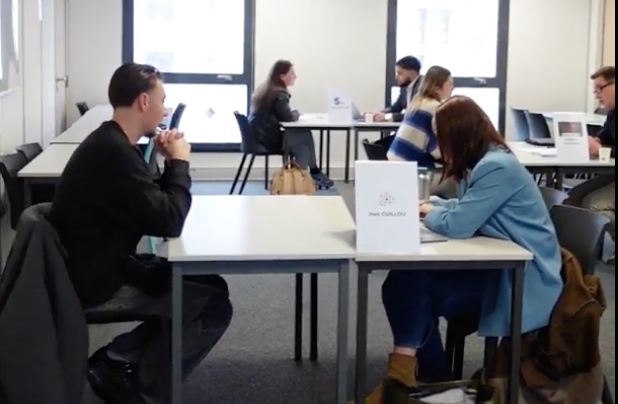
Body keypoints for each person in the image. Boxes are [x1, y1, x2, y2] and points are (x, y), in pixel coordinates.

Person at [357, 96, 563, 404]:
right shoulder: (483, 161)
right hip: (498, 264)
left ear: (458, 135)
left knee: (413, 287)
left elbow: (458, 225)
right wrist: (434, 205)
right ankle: (426, 381)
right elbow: (467, 206)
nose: (438, 146)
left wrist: (429, 211)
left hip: (523, 279)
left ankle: (415, 381)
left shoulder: (496, 166)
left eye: (441, 137)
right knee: (406, 281)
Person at [50, 63, 233, 404]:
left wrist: (167, 163)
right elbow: (169, 220)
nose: (165, 110)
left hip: (99, 266)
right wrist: (180, 164)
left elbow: (149, 202)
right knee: (212, 305)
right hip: (96, 284)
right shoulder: (114, 153)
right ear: (143, 101)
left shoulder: (112, 143)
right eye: (162, 100)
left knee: (211, 285)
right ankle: (143, 385)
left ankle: (119, 358)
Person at [249, 59, 333, 188]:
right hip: (269, 141)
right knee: (304, 136)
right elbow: (287, 117)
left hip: (260, 138)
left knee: (303, 146)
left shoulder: (267, 90)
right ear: (282, 76)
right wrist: (296, 114)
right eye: (292, 73)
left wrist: (292, 114)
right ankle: (309, 175)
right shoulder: (279, 94)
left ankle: (301, 181)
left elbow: (282, 115)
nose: (295, 76)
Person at [565, 65, 615, 265]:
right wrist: (594, 142)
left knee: (594, 205)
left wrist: (601, 150)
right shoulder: (612, 114)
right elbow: (604, 138)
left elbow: (606, 148)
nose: (597, 95)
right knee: (572, 198)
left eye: (599, 89)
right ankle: (573, 258)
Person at [374, 56, 423, 123]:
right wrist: (380, 113)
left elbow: (414, 114)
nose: (396, 77)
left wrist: (387, 117)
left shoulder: (423, 87)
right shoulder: (405, 87)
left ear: (412, 73)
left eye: (400, 73)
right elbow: (396, 108)